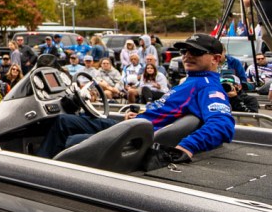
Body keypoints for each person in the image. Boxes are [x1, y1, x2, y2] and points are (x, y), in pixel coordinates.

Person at [37, 34, 234, 162]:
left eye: (196, 52)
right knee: (64, 121)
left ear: (215, 59)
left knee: (70, 139)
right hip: (135, 125)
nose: (187, 56)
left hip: (134, 138)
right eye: (185, 51)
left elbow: (222, 124)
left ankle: (39, 173)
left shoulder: (208, 87)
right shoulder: (193, 81)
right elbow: (169, 111)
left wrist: (186, 147)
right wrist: (141, 114)